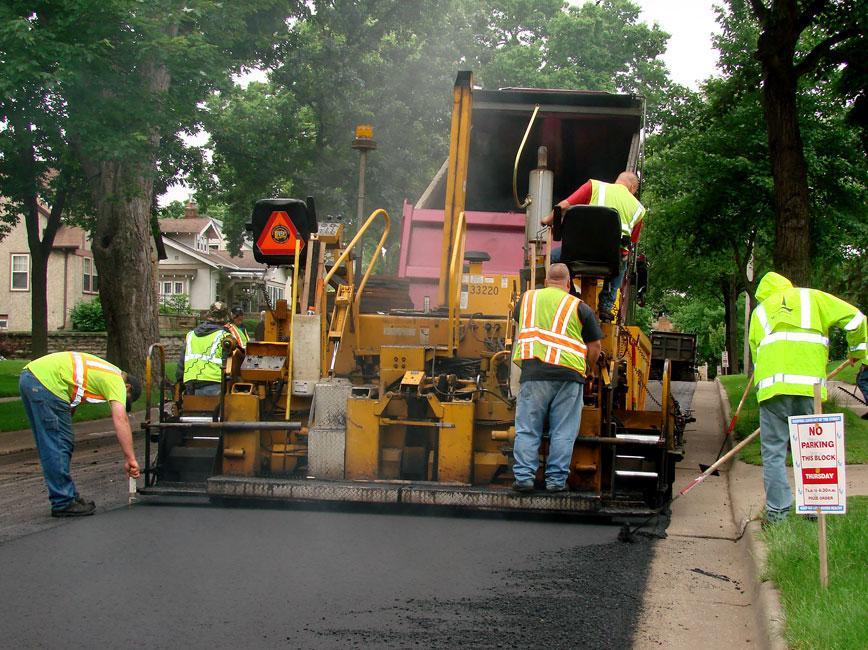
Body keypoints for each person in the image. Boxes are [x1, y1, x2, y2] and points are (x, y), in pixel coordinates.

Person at [749, 272, 867, 524]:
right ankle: (815, 509)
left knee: (773, 453)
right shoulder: (813, 298)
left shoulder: (759, 312)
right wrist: (857, 351)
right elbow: (857, 319)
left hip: (773, 390)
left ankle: (777, 513)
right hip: (809, 389)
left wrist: (763, 388)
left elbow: (756, 356)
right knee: (813, 451)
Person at [511, 263, 603, 492]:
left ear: (545, 281)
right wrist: (588, 369)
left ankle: (523, 478)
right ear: (569, 284)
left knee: (527, 429)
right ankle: (555, 482)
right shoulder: (580, 307)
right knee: (562, 431)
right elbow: (595, 346)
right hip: (569, 377)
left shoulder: (526, 300)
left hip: (534, 374)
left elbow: (519, 325)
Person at [19, 352, 142, 517]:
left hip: (33, 377)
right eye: (125, 398)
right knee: (59, 443)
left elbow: (73, 396)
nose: (120, 399)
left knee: (59, 441)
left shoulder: (103, 372)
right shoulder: (116, 380)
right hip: (46, 384)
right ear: (128, 388)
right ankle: (63, 502)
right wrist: (130, 458)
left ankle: (67, 495)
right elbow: (121, 420)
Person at [542, 171, 646, 321]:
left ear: (617, 181)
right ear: (632, 187)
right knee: (623, 261)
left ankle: (570, 293)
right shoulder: (639, 209)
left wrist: (547, 220)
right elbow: (629, 245)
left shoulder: (594, 186)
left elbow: (562, 206)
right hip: (609, 259)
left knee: (552, 258)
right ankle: (606, 305)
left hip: (577, 253)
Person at [176, 301, 231, 395]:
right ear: (225, 319)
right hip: (214, 383)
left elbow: (181, 364)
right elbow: (229, 363)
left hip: (190, 383)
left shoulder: (191, 335)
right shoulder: (225, 337)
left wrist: (179, 381)